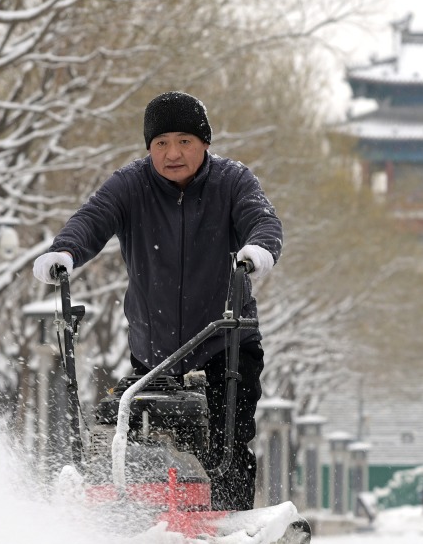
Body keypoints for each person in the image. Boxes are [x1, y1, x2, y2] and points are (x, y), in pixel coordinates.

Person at [32, 91, 283, 511]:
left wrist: (259, 250)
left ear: (204, 143)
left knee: (225, 444)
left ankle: (228, 527)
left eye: (184, 141)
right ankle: (146, 522)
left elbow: (263, 219)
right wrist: (64, 252)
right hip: (156, 352)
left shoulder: (233, 181)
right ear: (149, 147)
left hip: (227, 345)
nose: (173, 153)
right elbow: (92, 219)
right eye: (161, 143)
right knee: (136, 438)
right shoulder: (130, 184)